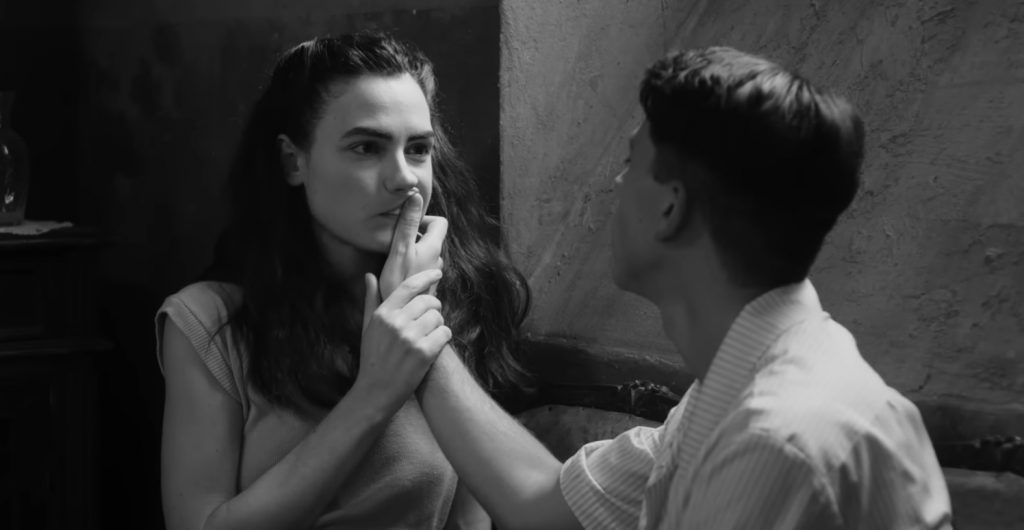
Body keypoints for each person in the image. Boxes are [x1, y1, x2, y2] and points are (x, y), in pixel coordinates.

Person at [413, 47, 954, 529]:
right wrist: (417, 317)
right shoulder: (745, 384)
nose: (616, 184)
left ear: (670, 208)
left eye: (631, 163)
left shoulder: (774, 440)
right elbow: (543, 502)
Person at [155, 31, 530, 530]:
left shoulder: (456, 301)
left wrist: (419, 309)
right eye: (366, 147)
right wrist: (375, 392)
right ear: (293, 161)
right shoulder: (209, 322)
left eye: (419, 149)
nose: (404, 177)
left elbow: (471, 520)